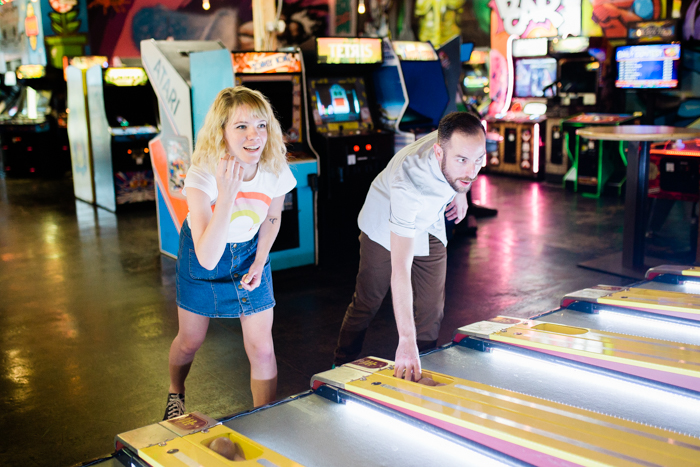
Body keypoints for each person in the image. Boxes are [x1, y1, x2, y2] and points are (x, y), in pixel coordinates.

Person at [163, 87, 296, 420]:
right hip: (203, 251)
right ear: (221, 132)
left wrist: (260, 258)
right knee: (190, 341)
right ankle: (175, 391)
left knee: (262, 348)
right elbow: (207, 256)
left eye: (261, 125)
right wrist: (227, 194)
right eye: (241, 126)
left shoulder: (274, 165)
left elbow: (272, 216)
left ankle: (265, 421)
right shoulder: (202, 175)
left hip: (251, 250)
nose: (254, 135)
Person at [333, 112, 486, 381]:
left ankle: (420, 366)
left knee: (431, 309)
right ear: (439, 153)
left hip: (430, 221)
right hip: (387, 221)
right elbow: (400, 270)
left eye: (479, 160)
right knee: (368, 301)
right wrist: (404, 339)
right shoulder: (409, 181)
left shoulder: (455, 143)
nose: (472, 171)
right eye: (462, 161)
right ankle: (342, 362)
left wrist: (461, 192)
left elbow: (467, 162)